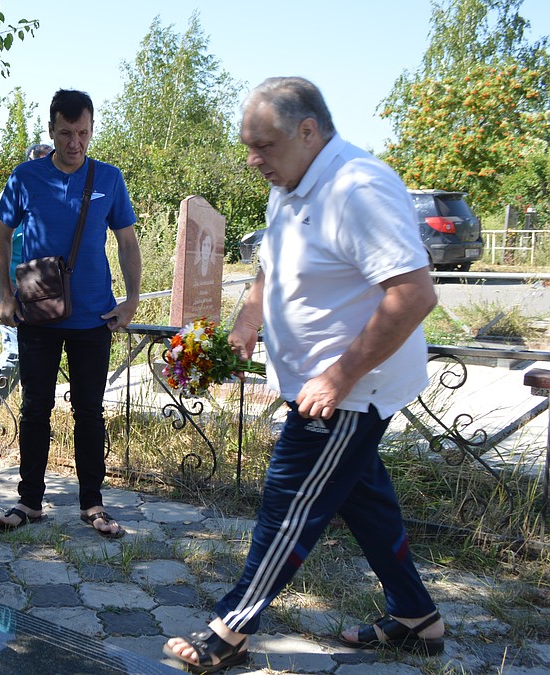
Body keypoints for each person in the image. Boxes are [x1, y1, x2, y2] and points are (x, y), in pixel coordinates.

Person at [163, 77, 443, 672]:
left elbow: (414, 294)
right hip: (321, 385)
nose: (252, 159)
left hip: (348, 391)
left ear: (309, 131)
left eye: (263, 145)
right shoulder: (290, 183)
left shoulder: (358, 188)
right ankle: (417, 618)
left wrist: (339, 376)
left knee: (288, 505)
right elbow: (271, 265)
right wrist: (246, 323)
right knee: (363, 500)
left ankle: (229, 631)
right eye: (248, 144)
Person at [0, 90, 142, 538]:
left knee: (89, 412)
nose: (75, 142)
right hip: (37, 315)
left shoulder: (109, 179)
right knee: (35, 408)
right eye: (65, 133)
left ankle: (92, 504)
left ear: (91, 130)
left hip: (94, 318)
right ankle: (29, 502)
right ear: (51, 130)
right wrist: (4, 295)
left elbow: (128, 243)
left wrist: (131, 301)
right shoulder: (26, 177)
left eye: (83, 133)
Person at [0, 142, 54, 427]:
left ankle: (33, 421)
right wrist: (6, 291)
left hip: (40, 290)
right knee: (17, 352)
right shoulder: (12, 194)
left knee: (36, 356)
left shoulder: (50, 197)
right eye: (38, 165)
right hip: (14, 292)